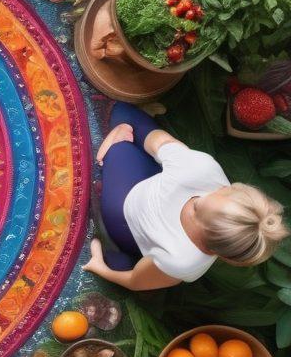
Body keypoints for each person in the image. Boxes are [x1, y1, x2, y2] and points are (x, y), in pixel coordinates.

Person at [83, 102, 288, 291]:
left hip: (123, 216)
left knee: (122, 137)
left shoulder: (180, 262)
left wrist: (102, 270)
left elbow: (135, 281)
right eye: (222, 189)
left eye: (196, 206)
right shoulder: (202, 171)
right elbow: (160, 140)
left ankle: (125, 144)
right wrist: (130, 131)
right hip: (161, 183)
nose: (206, 192)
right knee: (126, 118)